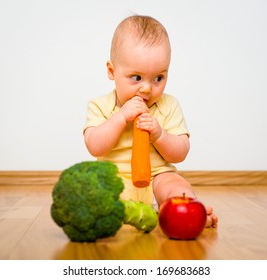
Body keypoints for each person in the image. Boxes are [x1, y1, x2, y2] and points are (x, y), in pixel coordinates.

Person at [83, 15, 217, 227]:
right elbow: (94, 146)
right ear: (112, 71)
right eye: (136, 78)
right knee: (98, 194)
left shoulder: (168, 105)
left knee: (175, 186)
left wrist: (160, 135)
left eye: (158, 78)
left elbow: (180, 152)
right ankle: (129, 213)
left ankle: (187, 213)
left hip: (158, 177)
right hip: (115, 178)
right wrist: (121, 117)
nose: (147, 88)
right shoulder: (100, 105)